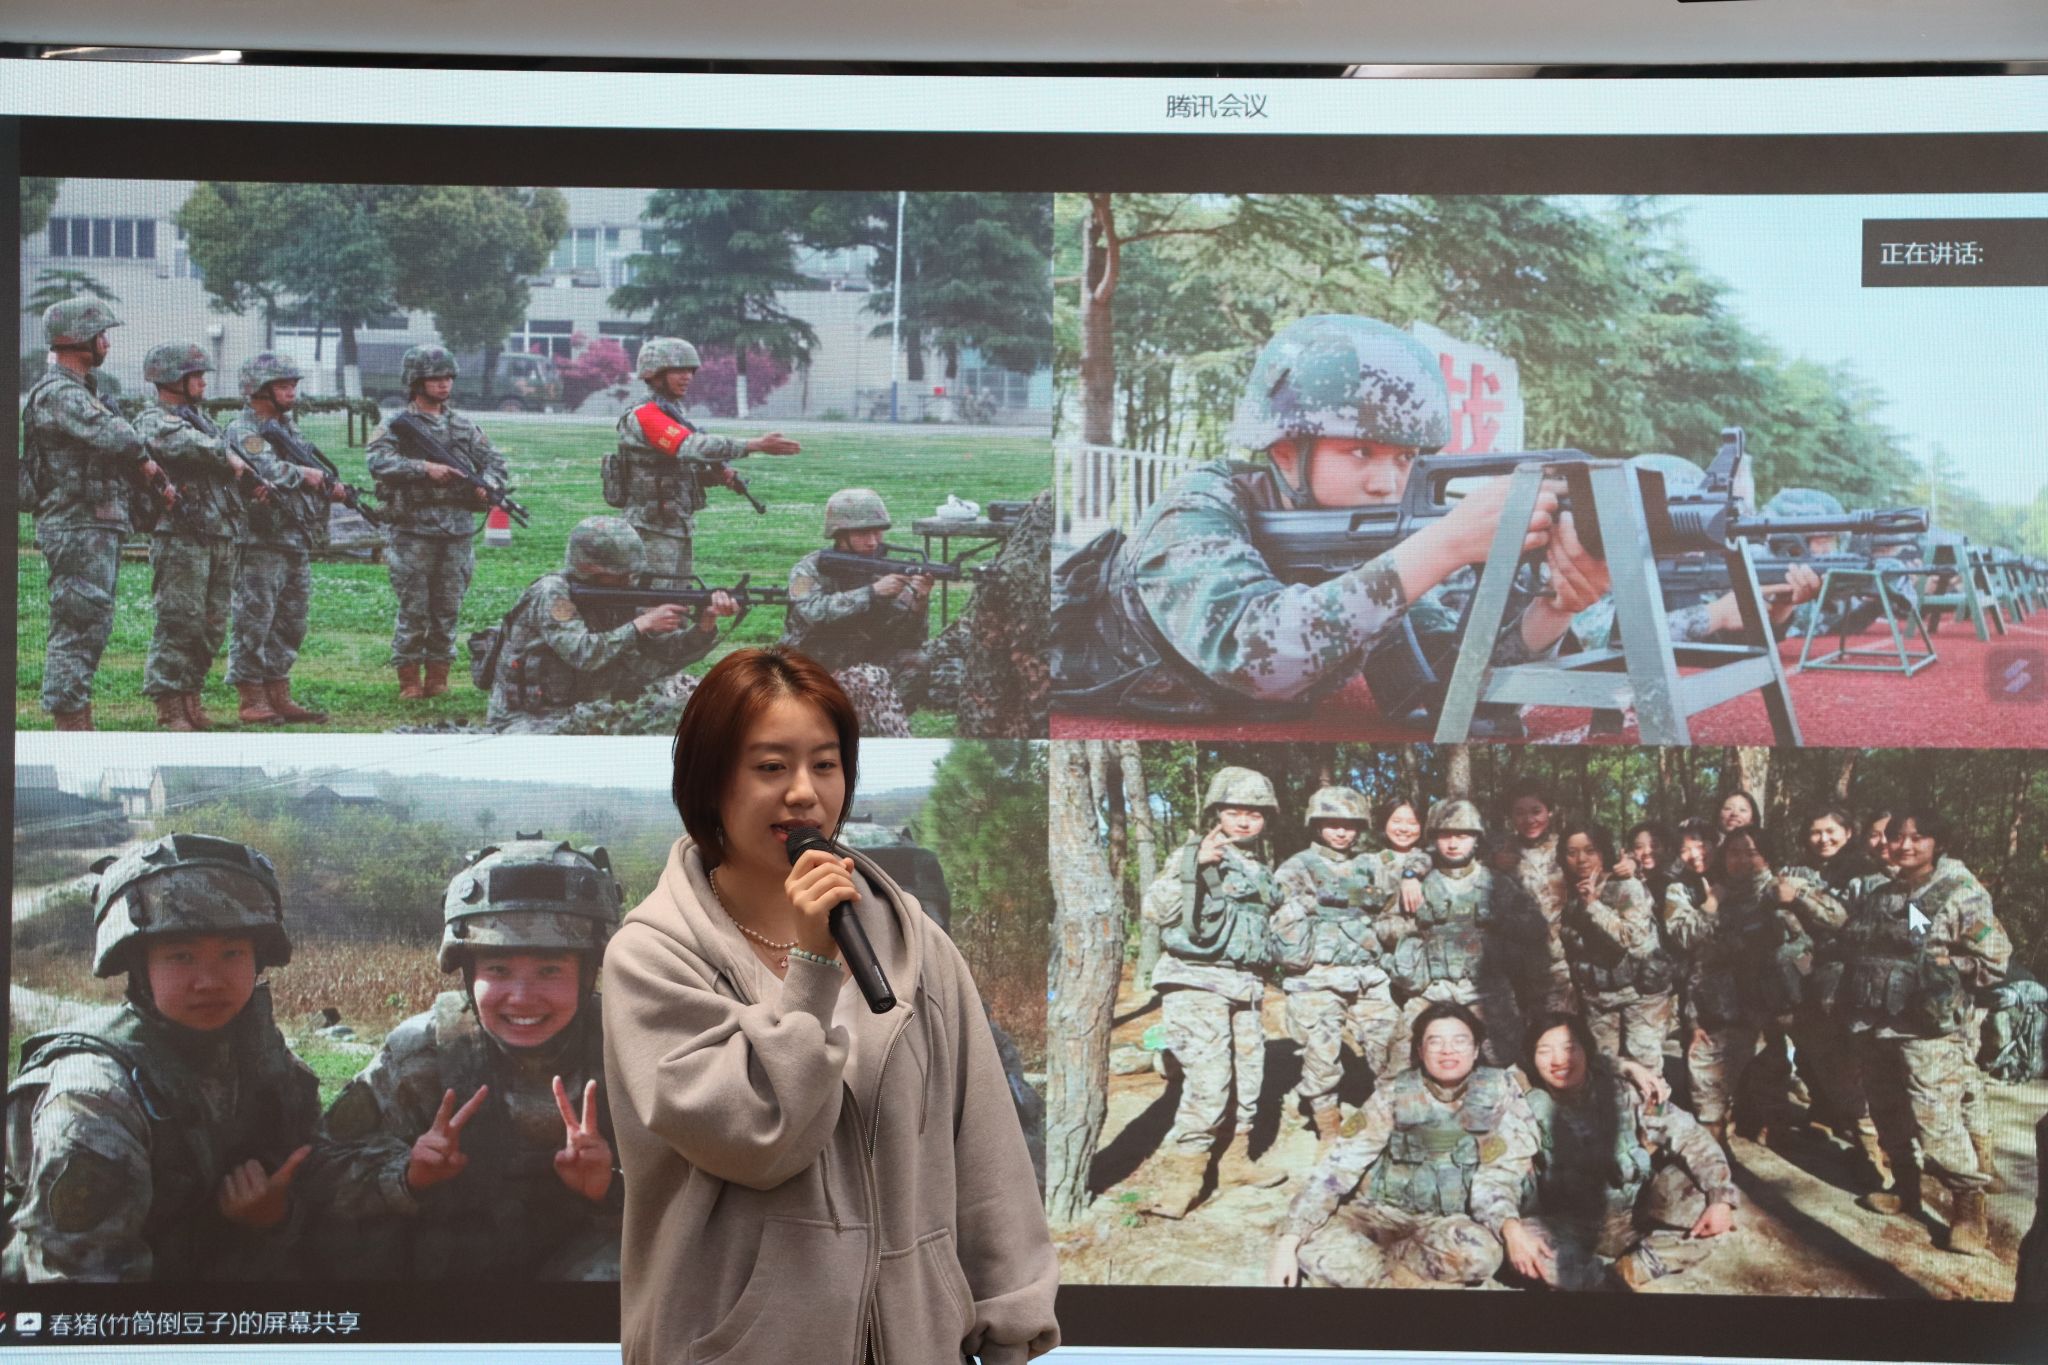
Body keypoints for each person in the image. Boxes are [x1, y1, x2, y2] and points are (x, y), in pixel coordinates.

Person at [600, 647, 1057, 1365]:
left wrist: (1010, 1323)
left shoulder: (912, 941)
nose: (804, 794)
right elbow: (757, 1141)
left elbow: (985, 1149)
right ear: (710, 781)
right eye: (770, 767)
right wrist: (812, 969)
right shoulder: (654, 957)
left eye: (825, 764)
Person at [1050, 313, 1606, 724]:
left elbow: (1454, 691)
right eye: (1361, 451)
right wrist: (1443, 547)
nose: (1387, 482)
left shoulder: (1367, 542)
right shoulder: (1196, 511)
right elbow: (1251, 658)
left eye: (1405, 458)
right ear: (1286, 451)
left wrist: (1554, 608)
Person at [2, 835, 319, 1280]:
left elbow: (319, 1168)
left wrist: (274, 1215)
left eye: (232, 952)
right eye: (181, 956)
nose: (209, 981)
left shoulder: (256, 1054)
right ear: (139, 967)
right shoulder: (93, 1098)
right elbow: (82, 1287)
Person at [306, 838, 623, 1280]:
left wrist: (611, 1188)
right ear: (468, 973)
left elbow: (696, 1198)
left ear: (588, 973)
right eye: (498, 969)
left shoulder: (627, 1052)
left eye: (550, 970)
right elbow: (318, 1172)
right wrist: (408, 1175)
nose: (522, 997)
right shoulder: (423, 1051)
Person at [1267, 1003, 1538, 1290]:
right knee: (1309, 1244)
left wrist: (1509, 1227)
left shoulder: (1499, 1090)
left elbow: (1501, 1172)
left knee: (1481, 1255)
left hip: (1446, 1223)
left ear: (1475, 1049)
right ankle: (1411, 1282)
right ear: (1420, 1051)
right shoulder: (1394, 1093)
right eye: (1435, 1042)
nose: (1448, 1050)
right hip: (1380, 1214)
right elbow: (1340, 1165)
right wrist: (1289, 1241)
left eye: (1460, 1041)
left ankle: (1381, 1277)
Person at [1836, 809, 2010, 1254]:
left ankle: (1968, 1206)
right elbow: (1915, 937)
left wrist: (1951, 966)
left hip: (1928, 1029)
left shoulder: (1961, 893)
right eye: (1897, 837)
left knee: (1936, 1118)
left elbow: (1994, 960)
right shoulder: (1891, 894)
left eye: (1918, 837)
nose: (1905, 845)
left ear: (1939, 842)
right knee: (1886, 1108)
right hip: (1877, 1023)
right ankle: (1905, 1186)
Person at [1127, 766, 1289, 1217]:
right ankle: (1185, 1179)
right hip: (1195, 981)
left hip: (1245, 985)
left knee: (1249, 1080)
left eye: (1254, 813)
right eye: (1234, 811)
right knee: (1209, 1082)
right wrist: (1193, 867)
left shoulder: (1260, 870)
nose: (1244, 820)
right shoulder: (1193, 854)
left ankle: (1235, 1163)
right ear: (1217, 813)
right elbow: (1155, 910)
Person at [1501, 1012, 1737, 1292]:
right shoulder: (1522, 1104)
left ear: (1587, 1051)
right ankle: (1598, 1281)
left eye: (1570, 1048)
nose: (1559, 1060)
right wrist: (1511, 1230)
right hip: (1568, 1225)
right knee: (1522, 1243)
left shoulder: (1626, 1091)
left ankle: (1628, 1271)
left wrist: (1720, 1196)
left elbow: (1689, 1135)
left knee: (1708, 1209)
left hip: (1633, 1213)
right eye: (1544, 1051)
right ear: (1531, 1058)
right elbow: (1501, 1173)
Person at [20, 298, 155, 731]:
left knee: (91, 622)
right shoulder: (60, 393)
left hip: (90, 523)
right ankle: (70, 724)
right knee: (78, 624)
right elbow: (119, 436)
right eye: (101, 335)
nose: (107, 343)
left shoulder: (80, 390)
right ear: (78, 340)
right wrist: (143, 459)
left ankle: (78, 716)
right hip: (75, 524)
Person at [1664, 826, 1843, 1146]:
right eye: (1734, 853)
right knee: (1712, 1090)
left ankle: (1873, 1152)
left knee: (1832, 1079)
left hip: (1794, 1005)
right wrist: (1693, 1018)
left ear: (1767, 856)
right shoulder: (1718, 897)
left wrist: (1798, 898)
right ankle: (1716, 1152)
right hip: (1734, 1011)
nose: (1743, 860)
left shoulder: (1786, 884)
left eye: (1752, 852)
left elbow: (1839, 919)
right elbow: (1700, 962)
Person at [483, 516, 736, 733]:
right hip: (529, 718)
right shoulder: (552, 594)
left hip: (587, 710)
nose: (628, 580)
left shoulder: (613, 594)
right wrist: (641, 624)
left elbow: (661, 653)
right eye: (619, 574)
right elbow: (583, 653)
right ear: (587, 568)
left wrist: (704, 626)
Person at [367, 345, 509, 701]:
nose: (444, 384)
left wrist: (487, 485)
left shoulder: (462, 425)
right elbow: (377, 462)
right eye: (435, 378)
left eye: (448, 377)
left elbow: (495, 463)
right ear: (416, 382)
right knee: (414, 607)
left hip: (456, 530)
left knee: (448, 606)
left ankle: (438, 675)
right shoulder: (397, 424)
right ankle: (409, 678)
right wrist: (423, 468)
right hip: (413, 529)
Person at [1270, 786, 1410, 1141]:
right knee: (1321, 1058)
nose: (1341, 832)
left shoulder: (1373, 865)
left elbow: (1395, 899)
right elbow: (1279, 924)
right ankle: (1328, 1130)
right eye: (1332, 824)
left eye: (1349, 825)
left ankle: (1394, 1123)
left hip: (1369, 976)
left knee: (1393, 1047)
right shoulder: (1297, 867)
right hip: (1317, 978)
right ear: (1317, 825)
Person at [222, 353, 353, 725]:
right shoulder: (244, 430)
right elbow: (266, 467)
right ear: (259, 389)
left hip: (293, 536)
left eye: (293, 384)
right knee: (255, 619)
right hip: (260, 538)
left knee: (291, 620)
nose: (292, 392)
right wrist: (308, 476)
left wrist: (329, 487)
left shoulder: (287, 429)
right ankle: (251, 697)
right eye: (283, 385)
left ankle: (278, 692)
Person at [608, 336, 801, 581]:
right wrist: (755, 445)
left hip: (673, 525)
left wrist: (714, 477)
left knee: (679, 597)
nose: (687, 376)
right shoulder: (646, 415)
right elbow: (690, 446)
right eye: (679, 370)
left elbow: (675, 471)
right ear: (654, 374)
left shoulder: (672, 413)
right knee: (653, 598)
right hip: (650, 529)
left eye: (690, 370)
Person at [134, 341, 251, 732]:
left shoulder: (204, 422)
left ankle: (191, 696)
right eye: (195, 376)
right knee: (180, 619)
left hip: (219, 532)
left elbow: (242, 447)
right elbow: (189, 446)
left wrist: (247, 456)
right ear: (172, 379)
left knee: (213, 623)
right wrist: (229, 454)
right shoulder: (154, 420)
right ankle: (169, 704)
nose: (202, 382)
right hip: (180, 536)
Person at [1384, 800, 1547, 1065]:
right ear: (1433, 839)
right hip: (1431, 989)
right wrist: (1416, 926)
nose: (1453, 843)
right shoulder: (1419, 884)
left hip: (1488, 990)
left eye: (1462, 836)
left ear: (1476, 838)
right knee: (1402, 1057)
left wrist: (1497, 921)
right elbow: (1384, 927)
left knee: (1509, 1061)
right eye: (1445, 835)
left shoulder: (1495, 882)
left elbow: (1535, 927)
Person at [780, 488, 932, 739]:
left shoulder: (884, 568)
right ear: (840, 534)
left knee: (915, 662)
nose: (873, 541)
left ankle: (886, 725)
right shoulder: (807, 570)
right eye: (863, 533)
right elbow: (811, 612)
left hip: (864, 663)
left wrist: (919, 600)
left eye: (878, 532)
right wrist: (871, 593)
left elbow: (909, 638)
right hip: (811, 664)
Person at [1792, 805, 1888, 1186]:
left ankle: (1887, 1158)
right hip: (1826, 984)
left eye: (1831, 831)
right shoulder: (1804, 872)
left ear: (1848, 833)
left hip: (1875, 988)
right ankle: (1869, 1153)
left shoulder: (1885, 877)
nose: (1823, 839)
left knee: (1874, 1072)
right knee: (1838, 1068)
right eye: (1816, 831)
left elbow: (1921, 930)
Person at [1557, 823, 1676, 1070]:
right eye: (1572, 853)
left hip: (1640, 995)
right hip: (1599, 998)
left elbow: (1630, 936)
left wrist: (1593, 904)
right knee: (1606, 1068)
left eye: (1590, 851)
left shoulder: (1624, 886)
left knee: (1646, 1068)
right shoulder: (1568, 891)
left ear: (1603, 852)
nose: (1581, 859)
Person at [1494, 782, 1575, 1014]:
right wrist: (1492, 863)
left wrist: (1630, 864)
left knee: (1559, 1028)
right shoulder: (1500, 851)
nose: (1529, 820)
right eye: (1519, 813)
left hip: (1560, 965)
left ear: (1550, 812)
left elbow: (1603, 867)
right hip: (1513, 966)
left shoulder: (1566, 847)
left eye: (1536, 811)